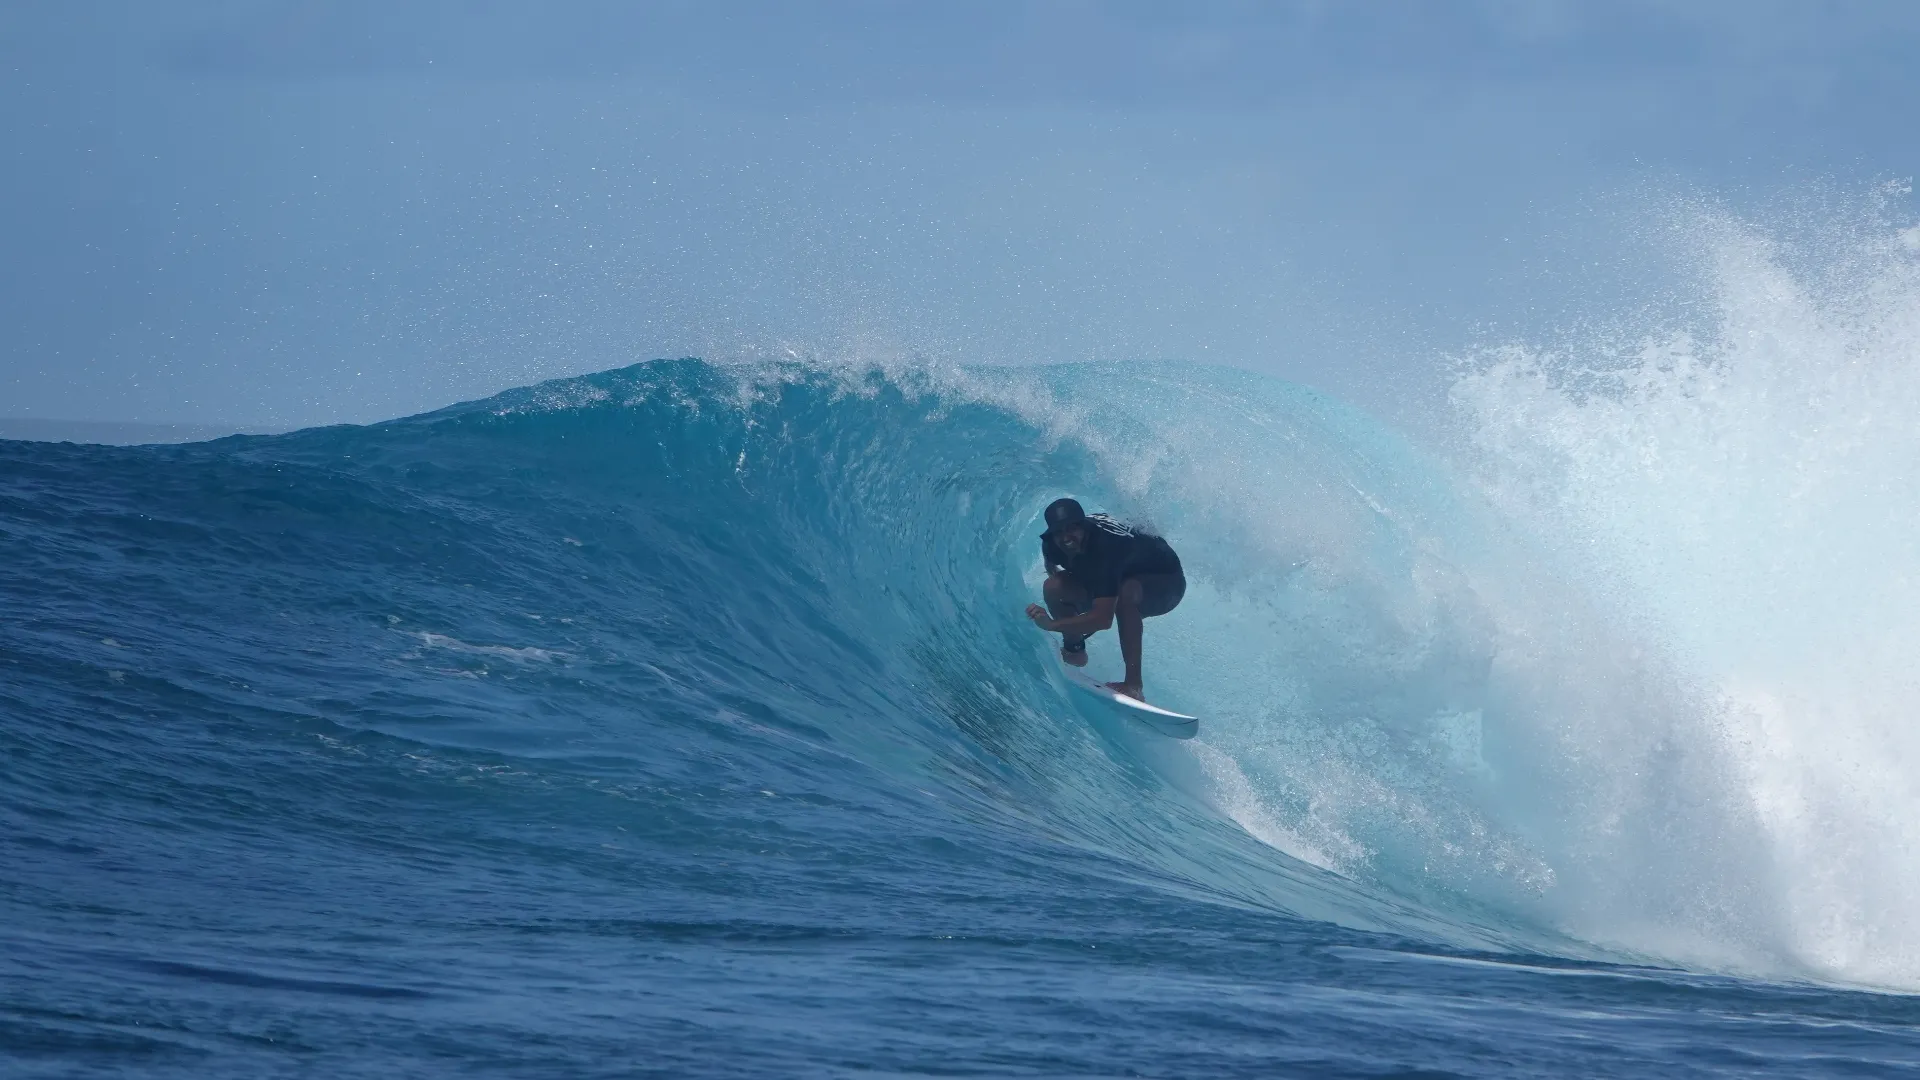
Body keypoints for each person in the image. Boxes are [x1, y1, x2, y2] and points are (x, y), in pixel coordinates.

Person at [1024, 497, 1185, 702]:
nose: (1066, 537)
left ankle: (1133, 685)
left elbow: (1103, 619)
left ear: (1083, 527)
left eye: (1071, 529)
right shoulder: (1052, 545)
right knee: (1055, 587)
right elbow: (1058, 578)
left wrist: (1052, 625)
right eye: (1059, 532)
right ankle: (1075, 650)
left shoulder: (1105, 548)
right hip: (1125, 570)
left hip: (1166, 582)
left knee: (1127, 593)